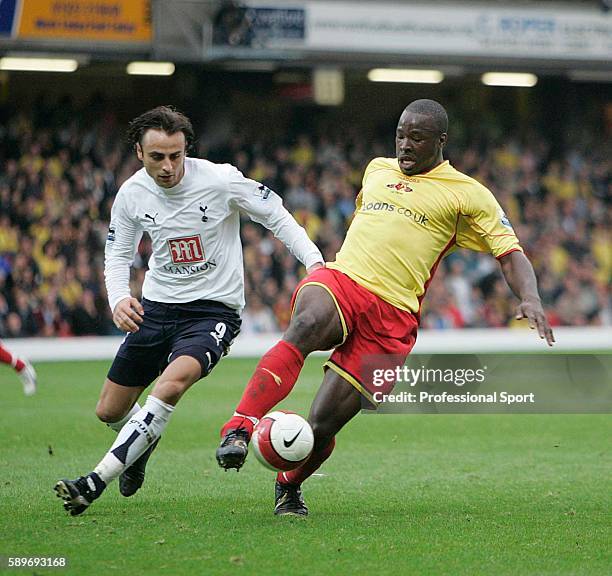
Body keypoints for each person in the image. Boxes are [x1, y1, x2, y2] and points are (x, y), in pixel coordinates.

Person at [216, 99, 555, 516]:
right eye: (400, 135)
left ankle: (288, 484)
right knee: (306, 323)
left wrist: (530, 297)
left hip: (392, 318)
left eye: (417, 138)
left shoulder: (469, 195)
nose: (405, 145)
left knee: (323, 424)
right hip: (344, 280)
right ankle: (238, 427)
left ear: (440, 141)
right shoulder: (377, 169)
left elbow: (509, 251)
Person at [54, 106, 323, 516]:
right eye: (157, 157)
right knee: (109, 410)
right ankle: (143, 442)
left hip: (213, 312)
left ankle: (93, 482)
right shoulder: (131, 194)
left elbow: (277, 217)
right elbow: (117, 254)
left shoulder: (220, 179)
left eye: (176, 155)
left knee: (170, 385)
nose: (168, 166)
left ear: (186, 150)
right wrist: (118, 298)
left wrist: (316, 265)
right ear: (139, 153)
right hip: (157, 309)